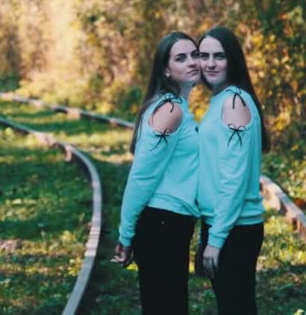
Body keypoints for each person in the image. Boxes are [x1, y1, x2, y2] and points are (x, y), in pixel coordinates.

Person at [111, 31, 201, 314]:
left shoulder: (177, 107)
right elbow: (141, 177)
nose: (192, 62)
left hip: (172, 224)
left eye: (194, 54)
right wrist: (126, 234)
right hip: (162, 225)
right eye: (181, 57)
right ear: (166, 69)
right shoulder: (170, 111)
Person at [194, 25, 271, 315]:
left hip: (235, 229)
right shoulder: (222, 100)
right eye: (204, 55)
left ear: (233, 60)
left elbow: (234, 179)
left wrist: (215, 239)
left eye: (219, 56)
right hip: (223, 224)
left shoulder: (235, 102)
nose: (210, 63)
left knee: (236, 307)